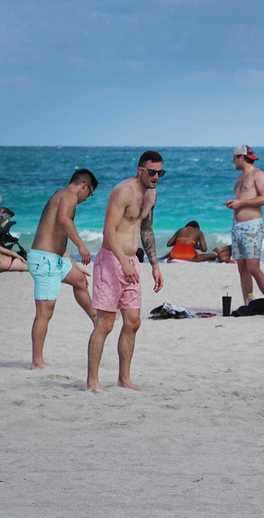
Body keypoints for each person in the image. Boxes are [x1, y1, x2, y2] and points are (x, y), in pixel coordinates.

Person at [87, 152, 165, 391]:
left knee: (132, 322)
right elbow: (108, 232)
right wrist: (123, 261)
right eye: (152, 172)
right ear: (140, 169)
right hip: (112, 260)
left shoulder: (152, 194)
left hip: (132, 261)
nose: (156, 177)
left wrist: (154, 264)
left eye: (161, 173)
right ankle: (92, 381)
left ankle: (124, 378)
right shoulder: (123, 191)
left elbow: (147, 229)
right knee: (105, 323)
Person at [26, 169, 98, 369]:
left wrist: (71, 263)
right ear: (84, 185)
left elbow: (56, 233)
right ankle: (37, 360)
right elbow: (64, 221)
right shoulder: (68, 195)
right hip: (44, 260)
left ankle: (96, 319)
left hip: (56, 259)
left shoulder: (61, 195)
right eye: (89, 194)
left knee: (80, 280)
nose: (87, 198)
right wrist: (82, 246)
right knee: (45, 312)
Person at [226, 145, 264, 316]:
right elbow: (244, 199)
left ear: (241, 157)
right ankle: (248, 303)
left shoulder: (258, 174)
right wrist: (235, 204)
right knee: (242, 268)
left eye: (234, 158)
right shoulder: (240, 178)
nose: (233, 161)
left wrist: (241, 204)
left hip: (252, 226)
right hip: (237, 226)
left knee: (253, 267)